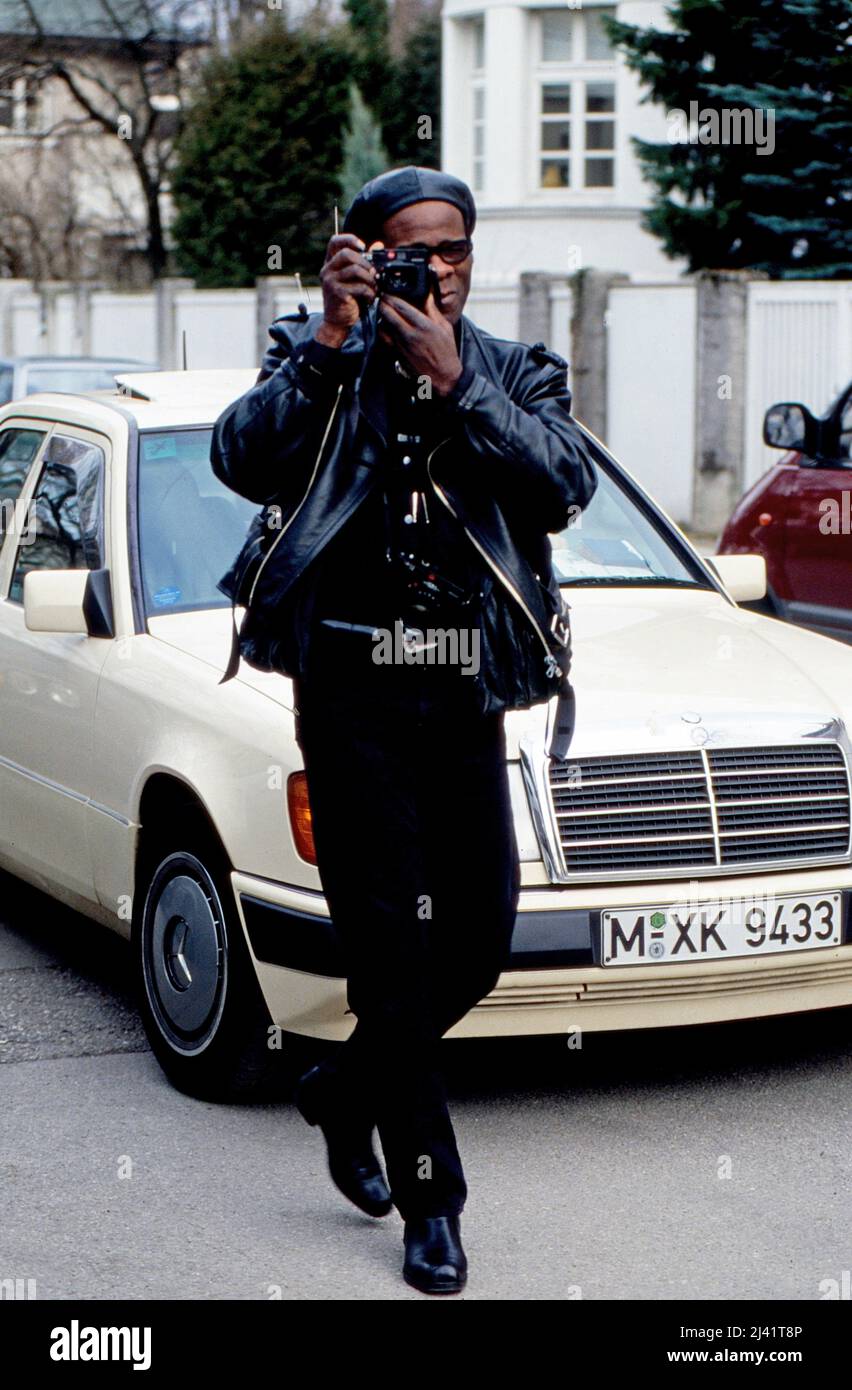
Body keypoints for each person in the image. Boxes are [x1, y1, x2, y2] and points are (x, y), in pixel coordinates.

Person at [210, 166, 598, 1295]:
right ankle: (433, 1196)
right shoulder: (315, 349)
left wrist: (458, 380)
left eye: (454, 250)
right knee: (387, 943)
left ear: (473, 257)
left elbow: (564, 484)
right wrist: (332, 339)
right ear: (365, 254)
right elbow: (243, 457)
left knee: (477, 931)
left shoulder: (514, 369)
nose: (436, 269)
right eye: (409, 250)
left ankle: (344, 1089)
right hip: (349, 685)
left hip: (462, 683)